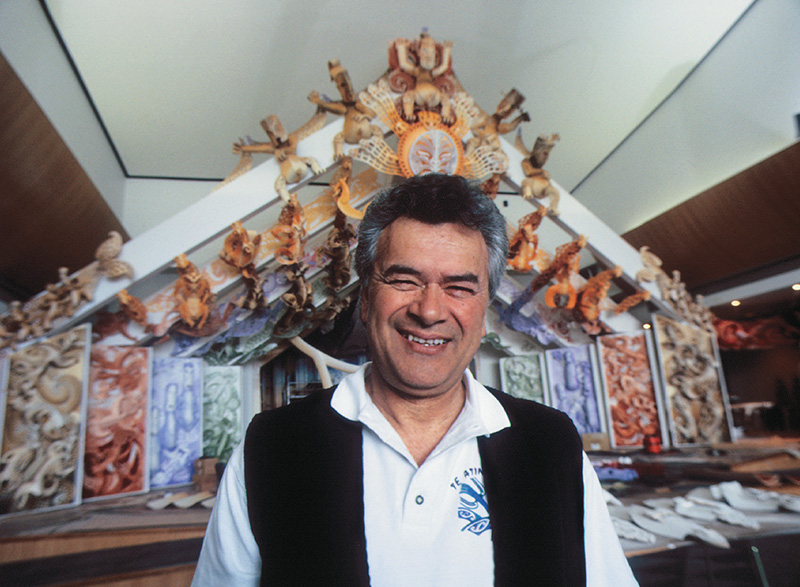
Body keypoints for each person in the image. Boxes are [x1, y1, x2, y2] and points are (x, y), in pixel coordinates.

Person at [191, 173, 638, 586]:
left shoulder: (550, 443)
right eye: (404, 280)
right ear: (365, 300)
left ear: (484, 313)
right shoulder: (272, 448)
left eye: (459, 287)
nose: (428, 311)